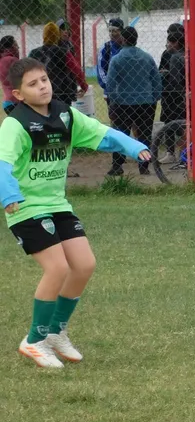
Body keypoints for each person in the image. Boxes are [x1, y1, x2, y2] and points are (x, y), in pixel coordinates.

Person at [0, 57, 150, 368]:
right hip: (25, 209)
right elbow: (2, 164)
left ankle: (56, 332)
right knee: (57, 268)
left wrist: (133, 146)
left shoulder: (65, 115)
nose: (42, 86)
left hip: (57, 206)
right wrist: (9, 195)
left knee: (83, 265)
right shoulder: (14, 125)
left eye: (44, 79)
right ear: (17, 94)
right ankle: (34, 340)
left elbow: (102, 133)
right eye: (32, 84)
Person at [105, 27, 161, 177]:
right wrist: (154, 98)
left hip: (123, 102)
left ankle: (117, 165)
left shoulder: (117, 59)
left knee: (121, 134)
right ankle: (144, 166)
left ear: (123, 39)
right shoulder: (147, 57)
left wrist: (114, 101)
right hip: (145, 102)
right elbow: (156, 80)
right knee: (144, 134)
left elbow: (110, 84)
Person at [29, 23, 84, 107]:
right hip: (62, 92)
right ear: (57, 35)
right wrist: (84, 86)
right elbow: (76, 69)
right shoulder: (63, 52)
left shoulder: (34, 53)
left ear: (44, 36)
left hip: (41, 91)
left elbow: (26, 71)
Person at [97, 18, 125, 94]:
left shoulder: (128, 47)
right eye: (110, 31)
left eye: (115, 30)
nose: (112, 34)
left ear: (121, 31)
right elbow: (101, 71)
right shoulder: (105, 48)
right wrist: (110, 87)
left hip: (127, 91)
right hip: (112, 92)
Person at [0, 37, 20, 113]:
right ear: (11, 46)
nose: (18, 47)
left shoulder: (2, 60)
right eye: (16, 44)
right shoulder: (12, 60)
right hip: (16, 101)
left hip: (7, 102)